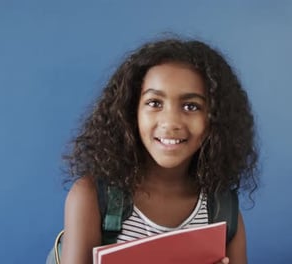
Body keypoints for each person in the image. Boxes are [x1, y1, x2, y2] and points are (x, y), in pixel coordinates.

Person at [61, 37, 259, 264]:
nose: (171, 122)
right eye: (155, 103)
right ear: (130, 111)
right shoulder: (92, 197)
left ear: (214, 120)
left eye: (191, 106)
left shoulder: (221, 210)